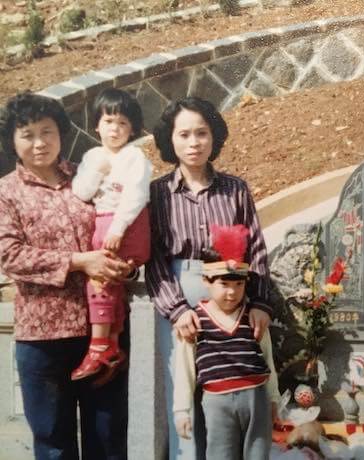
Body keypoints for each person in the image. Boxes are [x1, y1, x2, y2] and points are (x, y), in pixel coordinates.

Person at [0, 91, 134, 459]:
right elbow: (10, 256)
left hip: (101, 332)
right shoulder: (6, 193)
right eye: (27, 134)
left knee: (106, 441)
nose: (40, 143)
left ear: (62, 132)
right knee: (54, 444)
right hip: (43, 339)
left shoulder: (89, 177)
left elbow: (120, 224)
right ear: (12, 140)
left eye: (48, 131)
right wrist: (80, 261)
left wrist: (125, 263)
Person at [145, 96, 272, 460]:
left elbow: (257, 250)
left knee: (232, 384)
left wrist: (260, 303)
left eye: (202, 133)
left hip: (232, 294)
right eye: (184, 134)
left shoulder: (235, 189)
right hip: (179, 287)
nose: (194, 142)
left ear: (214, 136)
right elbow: (153, 258)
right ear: (170, 140)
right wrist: (175, 309)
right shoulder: (157, 194)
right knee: (183, 388)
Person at [173, 224, 279, 460]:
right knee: (220, 454)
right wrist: (182, 410)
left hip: (256, 397)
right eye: (224, 284)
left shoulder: (253, 316)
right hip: (216, 402)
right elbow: (185, 369)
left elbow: (267, 357)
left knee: (258, 453)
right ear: (207, 281)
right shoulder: (194, 320)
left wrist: (273, 397)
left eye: (238, 284)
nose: (232, 292)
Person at [71, 88, 152, 380]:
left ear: (131, 128)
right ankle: (115, 344)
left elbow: (136, 195)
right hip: (103, 223)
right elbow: (81, 191)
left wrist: (118, 228)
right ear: (96, 124)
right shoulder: (92, 155)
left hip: (126, 225)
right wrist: (97, 170)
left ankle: (98, 345)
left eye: (122, 123)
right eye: (108, 121)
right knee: (113, 283)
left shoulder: (134, 157)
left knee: (100, 278)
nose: (115, 129)